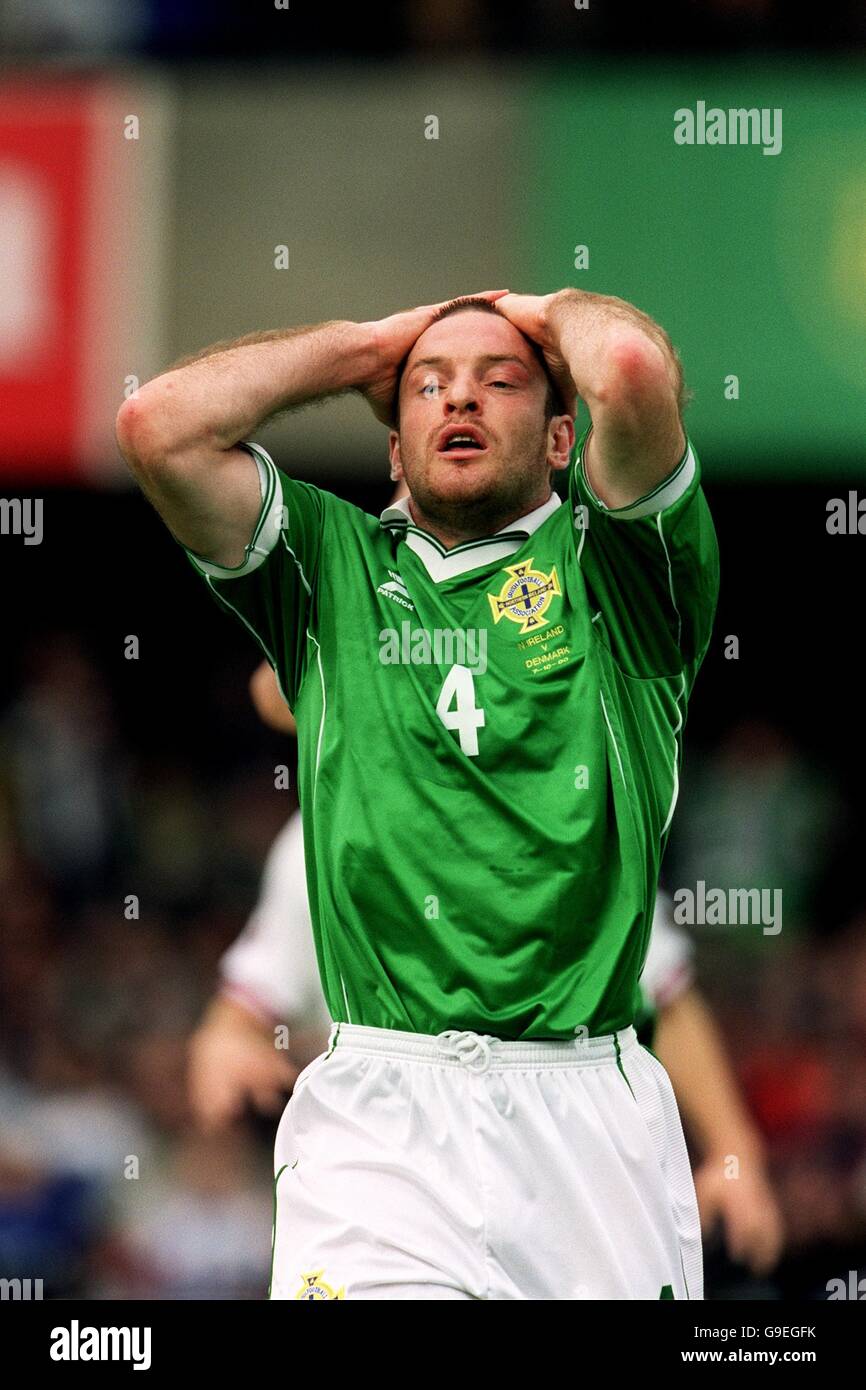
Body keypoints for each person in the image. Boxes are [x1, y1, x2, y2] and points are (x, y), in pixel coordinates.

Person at [117, 286, 720, 1299]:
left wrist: (545, 305)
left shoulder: (622, 576)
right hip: (380, 1122)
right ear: (393, 449)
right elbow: (158, 426)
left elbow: (627, 368)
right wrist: (362, 350)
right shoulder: (327, 570)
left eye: (501, 381)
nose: (459, 400)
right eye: (429, 388)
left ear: (561, 435)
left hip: (588, 1134)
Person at [188, 665, 783, 1280]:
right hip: (390, 1167)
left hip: (565, 1163)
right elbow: (239, 1015)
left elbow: (664, 998)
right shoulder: (316, 845)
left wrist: (736, 1149)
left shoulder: (566, 825)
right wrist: (225, 1041)